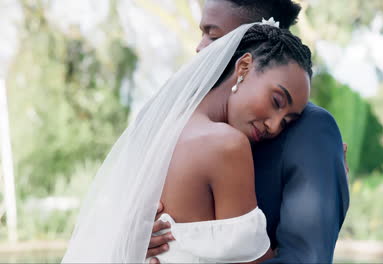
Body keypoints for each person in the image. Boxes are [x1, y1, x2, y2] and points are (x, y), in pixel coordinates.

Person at [62, 20, 314, 263]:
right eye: (277, 101)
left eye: (287, 122)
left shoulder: (158, 126)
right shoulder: (227, 145)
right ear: (244, 66)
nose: (273, 125)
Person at [147, 1, 350, 263]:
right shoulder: (174, 119)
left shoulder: (312, 130)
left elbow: (307, 255)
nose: (200, 47)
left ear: (250, 46)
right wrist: (137, 235)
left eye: (214, 35)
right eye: (203, 33)